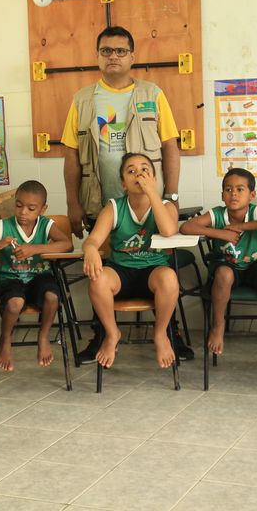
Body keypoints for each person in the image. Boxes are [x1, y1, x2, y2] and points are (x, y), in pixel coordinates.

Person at [60, 25, 190, 362]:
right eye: (106, 50)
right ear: (98, 56)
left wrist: (171, 197)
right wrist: (73, 204)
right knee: (99, 269)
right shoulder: (83, 99)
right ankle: (103, 335)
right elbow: (71, 154)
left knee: (161, 269)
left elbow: (170, 145)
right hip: (100, 202)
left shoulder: (152, 94)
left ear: (132, 56)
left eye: (121, 50)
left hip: (149, 203)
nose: (113, 56)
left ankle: (169, 334)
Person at [82, 153, 180, 369]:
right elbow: (93, 240)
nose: (139, 175)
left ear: (154, 178)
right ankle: (112, 333)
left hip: (153, 271)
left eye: (145, 170)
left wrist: (152, 193)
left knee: (170, 277)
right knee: (98, 279)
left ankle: (160, 334)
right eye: (131, 171)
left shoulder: (167, 206)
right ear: (123, 184)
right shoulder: (114, 207)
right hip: (121, 271)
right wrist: (90, 249)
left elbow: (168, 231)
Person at [0, 180, 72, 371]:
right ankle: (5, 339)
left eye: (31, 208)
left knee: (53, 297)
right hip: (10, 279)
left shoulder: (46, 225)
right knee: (15, 303)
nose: (23, 212)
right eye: (19, 205)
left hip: (39, 277)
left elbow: (67, 244)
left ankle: (43, 336)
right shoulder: (4, 225)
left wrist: (35, 249)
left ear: (42, 209)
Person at [180, 168, 257, 355]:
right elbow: (187, 227)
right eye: (228, 189)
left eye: (240, 189)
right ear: (222, 195)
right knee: (224, 273)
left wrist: (241, 226)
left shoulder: (255, 212)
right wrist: (220, 233)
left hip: (255, 268)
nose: (233, 194)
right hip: (228, 266)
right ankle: (218, 325)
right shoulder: (217, 214)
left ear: (252, 195)